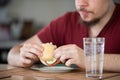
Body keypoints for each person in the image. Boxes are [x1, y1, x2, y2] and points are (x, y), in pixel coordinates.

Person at [8, 0, 120, 72]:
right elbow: (12, 53)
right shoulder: (66, 22)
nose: (81, 3)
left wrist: (89, 60)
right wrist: (22, 58)